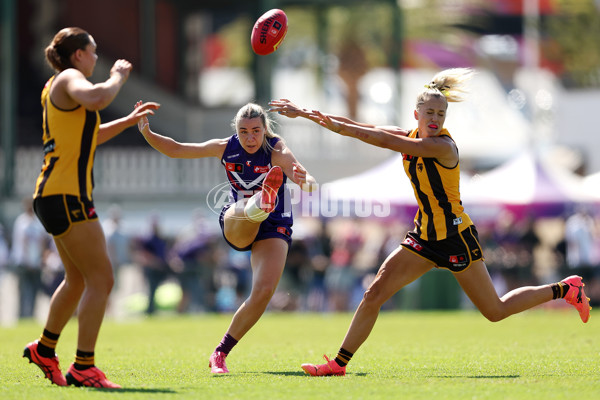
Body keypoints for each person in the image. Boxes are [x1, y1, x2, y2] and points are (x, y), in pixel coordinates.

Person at [268, 68, 591, 377]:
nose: (435, 119)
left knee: (495, 311)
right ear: (417, 115)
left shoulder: (440, 147)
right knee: (374, 292)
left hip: (455, 238)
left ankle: (566, 288)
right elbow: (361, 126)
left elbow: (381, 139)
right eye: (430, 113)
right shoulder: (411, 136)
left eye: (441, 115)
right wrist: (307, 112)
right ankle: (339, 363)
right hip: (423, 238)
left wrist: (316, 118)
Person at [22, 27, 159, 388]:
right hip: (67, 197)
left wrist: (129, 121)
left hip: (54, 196)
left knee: (79, 279)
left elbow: (89, 137)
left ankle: (45, 349)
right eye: (93, 51)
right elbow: (98, 98)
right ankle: (84, 366)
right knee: (102, 278)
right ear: (78, 55)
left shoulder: (58, 89)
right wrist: (118, 76)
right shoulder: (69, 78)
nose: (97, 57)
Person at [135, 101, 316, 373]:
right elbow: (177, 149)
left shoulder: (276, 148)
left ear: (265, 130)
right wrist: (147, 133)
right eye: (244, 131)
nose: (250, 137)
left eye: (256, 131)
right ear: (236, 131)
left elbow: (302, 174)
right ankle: (259, 202)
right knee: (245, 211)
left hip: (274, 226)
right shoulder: (225, 147)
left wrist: (308, 181)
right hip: (237, 221)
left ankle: (219, 353)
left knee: (264, 292)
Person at [10, 197, 49, 318]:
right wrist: (28, 261)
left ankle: (31, 315)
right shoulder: (21, 222)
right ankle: (21, 316)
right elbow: (22, 243)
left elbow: (43, 242)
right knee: (23, 291)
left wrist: (40, 260)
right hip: (23, 263)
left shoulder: (38, 223)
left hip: (36, 263)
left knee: (35, 291)